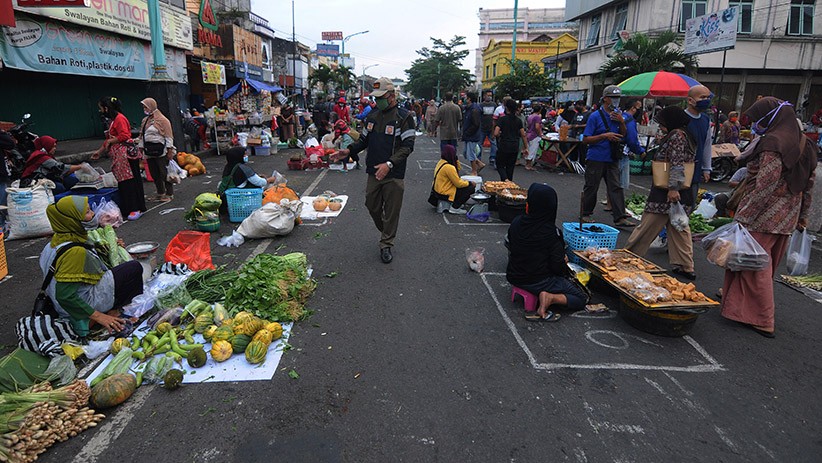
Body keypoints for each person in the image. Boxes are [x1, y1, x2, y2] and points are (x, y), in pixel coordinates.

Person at [721, 97, 816, 338]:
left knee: (755, 266)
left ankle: (763, 318)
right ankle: (736, 299)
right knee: (760, 263)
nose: (755, 124)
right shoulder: (804, 143)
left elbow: (766, 184)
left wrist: (745, 215)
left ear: (770, 118)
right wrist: (803, 215)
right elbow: (809, 184)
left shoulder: (773, 142)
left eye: (757, 120)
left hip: (764, 215)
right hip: (788, 214)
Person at [333, 77, 416, 264]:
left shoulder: (404, 117)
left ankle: (386, 243)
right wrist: (349, 150)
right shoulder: (372, 115)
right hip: (374, 171)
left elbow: (408, 146)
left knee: (392, 211)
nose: (378, 101)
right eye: (376, 98)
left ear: (392, 96)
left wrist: (389, 164)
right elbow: (364, 140)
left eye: (381, 97)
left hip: (393, 173)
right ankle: (387, 230)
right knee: (372, 205)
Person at [40, 196, 143, 337]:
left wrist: (112, 245)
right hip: (75, 305)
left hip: (59, 303)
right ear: (73, 219)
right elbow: (64, 296)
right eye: (87, 212)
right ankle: (106, 314)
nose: (93, 214)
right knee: (133, 269)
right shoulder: (75, 252)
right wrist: (99, 316)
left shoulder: (55, 243)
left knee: (122, 270)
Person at [625, 106, 697, 280]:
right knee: (679, 227)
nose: (661, 126)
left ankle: (628, 257)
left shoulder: (676, 136)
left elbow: (676, 162)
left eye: (662, 123)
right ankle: (685, 265)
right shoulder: (686, 134)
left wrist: (673, 188)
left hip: (666, 192)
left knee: (647, 227)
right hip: (682, 191)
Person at [506, 183, 589, 322]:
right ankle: (551, 297)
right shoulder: (552, 233)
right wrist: (563, 261)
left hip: (514, 275)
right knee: (582, 297)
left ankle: (544, 295)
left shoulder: (516, 222)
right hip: (538, 281)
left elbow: (512, 246)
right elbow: (557, 268)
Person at [581, 86, 635, 228]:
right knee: (592, 186)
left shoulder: (618, 115)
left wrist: (621, 122)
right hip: (596, 157)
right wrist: (604, 136)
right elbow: (585, 139)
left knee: (616, 187)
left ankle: (620, 217)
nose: (616, 101)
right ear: (605, 99)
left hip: (612, 157)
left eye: (618, 98)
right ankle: (585, 213)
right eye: (613, 98)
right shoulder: (595, 116)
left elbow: (623, 135)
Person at [94, 96, 145, 220]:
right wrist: (100, 151)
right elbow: (109, 139)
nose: (101, 111)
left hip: (125, 156)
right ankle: (129, 207)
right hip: (119, 156)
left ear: (106, 108)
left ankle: (135, 207)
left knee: (130, 181)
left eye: (101, 108)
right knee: (123, 182)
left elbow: (125, 135)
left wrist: (111, 141)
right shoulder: (114, 120)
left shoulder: (120, 119)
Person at [138, 98, 176, 202]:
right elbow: (142, 136)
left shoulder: (163, 120)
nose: (145, 109)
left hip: (161, 151)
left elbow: (168, 136)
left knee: (164, 173)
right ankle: (160, 192)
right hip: (149, 151)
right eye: (144, 107)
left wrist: (169, 150)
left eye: (146, 107)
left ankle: (169, 193)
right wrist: (140, 149)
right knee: (154, 173)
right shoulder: (145, 121)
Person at [217, 146, 281, 199]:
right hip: (239, 197)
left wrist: (258, 176)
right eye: (244, 154)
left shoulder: (228, 166)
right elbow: (259, 182)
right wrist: (270, 179)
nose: (246, 156)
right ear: (239, 156)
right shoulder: (243, 168)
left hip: (225, 195)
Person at [685, 85, 713, 203]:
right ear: (690, 100)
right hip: (679, 171)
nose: (706, 100)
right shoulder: (681, 118)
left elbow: (707, 145)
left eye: (708, 97)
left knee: (690, 203)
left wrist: (706, 168)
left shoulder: (706, 120)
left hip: (696, 171)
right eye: (702, 97)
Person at [494, 99, 529, 181]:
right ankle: (508, 183)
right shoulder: (518, 120)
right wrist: (526, 147)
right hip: (515, 146)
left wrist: (500, 135)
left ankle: (505, 179)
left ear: (506, 108)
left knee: (500, 165)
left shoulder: (502, 119)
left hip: (504, 145)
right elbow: (523, 134)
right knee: (510, 167)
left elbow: (496, 133)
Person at [433, 145, 474, 214]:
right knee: (470, 188)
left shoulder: (441, 162)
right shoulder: (449, 167)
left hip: (438, 191)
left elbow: (458, 168)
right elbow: (458, 184)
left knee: (465, 185)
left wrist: (456, 159)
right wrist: (469, 183)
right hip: (445, 193)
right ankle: (455, 207)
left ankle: (455, 203)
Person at [461, 92, 485, 176]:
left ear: (469, 99)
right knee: (466, 153)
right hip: (468, 134)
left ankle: (474, 171)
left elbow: (476, 124)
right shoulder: (468, 108)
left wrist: (468, 132)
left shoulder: (474, 109)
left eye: (466, 97)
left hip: (472, 135)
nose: (464, 99)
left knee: (470, 153)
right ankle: (479, 163)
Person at [525, 103, 545, 171]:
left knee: (528, 149)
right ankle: (529, 165)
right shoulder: (537, 117)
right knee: (532, 150)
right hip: (534, 135)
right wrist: (540, 134)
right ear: (539, 110)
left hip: (528, 134)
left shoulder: (530, 116)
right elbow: (537, 127)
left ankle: (527, 163)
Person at [480, 91, 498, 167]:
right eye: (488, 95)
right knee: (479, 144)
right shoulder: (481, 105)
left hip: (491, 128)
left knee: (493, 143)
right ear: (484, 96)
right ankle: (478, 158)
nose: (489, 97)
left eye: (490, 95)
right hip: (482, 127)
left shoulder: (494, 105)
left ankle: (492, 158)